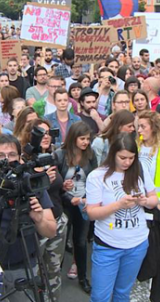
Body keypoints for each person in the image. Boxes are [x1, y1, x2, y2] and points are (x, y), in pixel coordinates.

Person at [0, 134, 57, 299]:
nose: (7, 160)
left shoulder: (31, 183)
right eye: (0, 156)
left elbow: (51, 231)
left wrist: (39, 218)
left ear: (20, 158)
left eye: (12, 155)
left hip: (22, 266)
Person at [86, 133, 159, 302]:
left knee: (123, 293)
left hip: (137, 243)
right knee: (100, 297)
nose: (127, 162)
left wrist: (145, 201)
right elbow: (92, 213)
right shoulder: (98, 176)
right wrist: (118, 205)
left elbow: (154, 199)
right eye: (122, 158)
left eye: (131, 158)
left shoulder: (140, 169)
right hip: (108, 245)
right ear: (113, 154)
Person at [20, 119, 66, 302]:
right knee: (35, 273)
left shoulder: (53, 156)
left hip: (59, 220)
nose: (46, 136)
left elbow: (59, 189)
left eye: (48, 133)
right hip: (37, 225)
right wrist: (41, 179)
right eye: (41, 133)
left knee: (54, 270)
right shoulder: (25, 160)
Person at [54, 121, 97, 294]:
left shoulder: (91, 155)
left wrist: (87, 198)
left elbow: (95, 178)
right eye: (82, 138)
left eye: (87, 139)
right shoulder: (60, 154)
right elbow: (53, 184)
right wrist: (64, 188)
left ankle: (82, 277)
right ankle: (55, 277)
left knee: (80, 241)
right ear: (73, 138)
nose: (85, 142)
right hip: (65, 203)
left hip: (83, 203)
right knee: (61, 241)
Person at [136, 110, 160, 263]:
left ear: (153, 128)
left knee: (153, 241)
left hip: (156, 203)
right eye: (138, 126)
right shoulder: (136, 147)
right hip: (139, 200)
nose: (139, 130)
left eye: (143, 127)